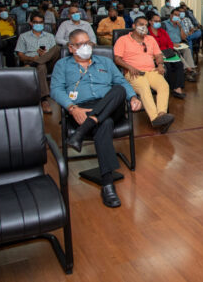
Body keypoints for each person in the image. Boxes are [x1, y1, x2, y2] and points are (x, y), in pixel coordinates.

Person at [51, 29, 142, 208]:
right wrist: (72, 108)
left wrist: (132, 97)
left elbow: (121, 82)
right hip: (81, 109)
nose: (86, 47)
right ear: (71, 47)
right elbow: (56, 90)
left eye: (88, 43)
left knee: (118, 90)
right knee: (104, 122)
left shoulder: (105, 62)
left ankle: (82, 131)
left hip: (109, 105)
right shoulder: (62, 65)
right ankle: (107, 185)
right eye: (80, 44)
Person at [114, 16, 175, 130]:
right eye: (141, 25)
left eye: (146, 25)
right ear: (133, 26)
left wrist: (160, 65)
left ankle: (162, 114)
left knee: (164, 85)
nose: (144, 27)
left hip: (151, 71)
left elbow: (158, 54)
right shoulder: (123, 40)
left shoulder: (150, 39)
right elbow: (117, 59)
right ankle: (155, 119)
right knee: (144, 87)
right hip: (134, 73)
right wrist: (129, 67)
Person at [15, 12, 60, 114]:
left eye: (41, 22)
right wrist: (32, 58)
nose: (38, 24)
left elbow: (53, 53)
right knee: (41, 65)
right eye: (36, 22)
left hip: (48, 63)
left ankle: (35, 63)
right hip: (32, 61)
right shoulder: (23, 36)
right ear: (31, 23)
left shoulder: (50, 36)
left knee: (57, 48)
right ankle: (44, 100)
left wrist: (45, 55)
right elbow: (20, 55)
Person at [148, 12, 186, 98]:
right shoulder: (147, 33)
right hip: (155, 55)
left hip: (167, 53)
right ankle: (167, 87)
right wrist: (159, 53)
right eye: (155, 21)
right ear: (150, 22)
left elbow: (169, 43)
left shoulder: (163, 31)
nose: (158, 23)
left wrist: (168, 51)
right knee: (167, 66)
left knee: (179, 64)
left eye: (159, 21)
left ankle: (177, 88)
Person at [164, 8, 197, 80]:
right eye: (175, 15)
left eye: (178, 15)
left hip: (179, 44)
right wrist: (172, 44)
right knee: (177, 53)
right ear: (171, 15)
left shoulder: (180, 24)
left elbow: (184, 37)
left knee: (187, 50)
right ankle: (189, 70)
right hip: (170, 45)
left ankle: (190, 69)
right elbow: (163, 38)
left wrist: (180, 27)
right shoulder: (165, 24)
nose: (177, 16)